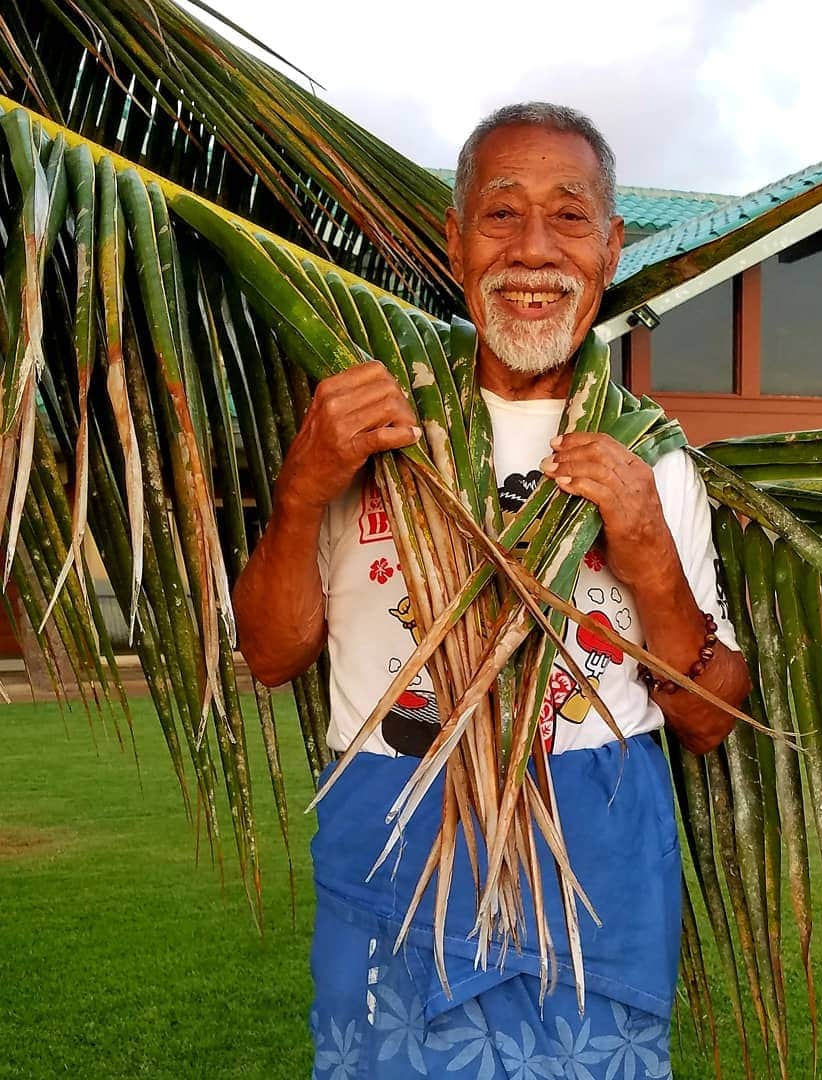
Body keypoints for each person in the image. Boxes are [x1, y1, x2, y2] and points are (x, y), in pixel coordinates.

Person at [234, 102, 751, 1080]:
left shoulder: (654, 462)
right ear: (455, 239)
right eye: (501, 215)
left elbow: (710, 719)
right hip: (395, 854)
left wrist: (644, 549)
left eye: (567, 217)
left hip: (589, 876)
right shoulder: (368, 427)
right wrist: (303, 488)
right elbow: (270, 654)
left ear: (609, 246)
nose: (532, 249)